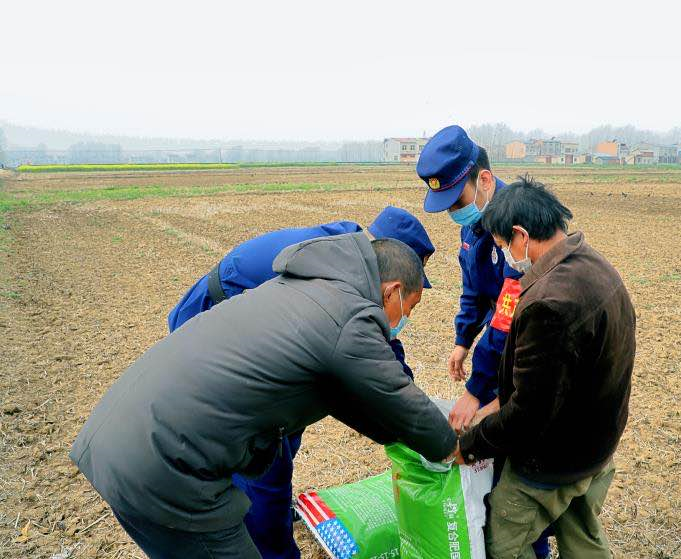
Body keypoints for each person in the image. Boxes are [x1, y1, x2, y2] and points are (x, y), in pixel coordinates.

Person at [70, 234, 457, 559]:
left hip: (122, 439)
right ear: (392, 291)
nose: (406, 318)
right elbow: (396, 397)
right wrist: (453, 445)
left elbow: (354, 401)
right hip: (165, 468)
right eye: (410, 307)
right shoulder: (348, 317)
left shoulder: (310, 289)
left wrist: (398, 436)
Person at [166, 206, 435, 558]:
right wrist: (409, 414)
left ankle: (262, 510)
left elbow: (379, 339)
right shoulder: (336, 270)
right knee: (268, 450)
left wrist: (408, 395)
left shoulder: (353, 255)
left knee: (280, 441)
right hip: (211, 316)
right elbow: (354, 350)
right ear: (388, 257)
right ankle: (269, 540)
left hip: (254, 331)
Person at [458, 176, 636, 559]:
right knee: (582, 535)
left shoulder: (547, 304)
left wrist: (469, 446)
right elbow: (559, 378)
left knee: (504, 542)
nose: (506, 256)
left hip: (555, 461)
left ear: (521, 236)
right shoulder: (597, 267)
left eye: (503, 246)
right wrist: (492, 406)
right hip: (596, 445)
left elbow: (528, 415)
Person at [417, 125, 553, 558]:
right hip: (500, 340)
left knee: (516, 442)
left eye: (457, 201)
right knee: (494, 440)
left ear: (485, 180)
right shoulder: (473, 225)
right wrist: (462, 339)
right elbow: (474, 289)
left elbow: (506, 317)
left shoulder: (517, 228)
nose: (455, 213)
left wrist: (477, 390)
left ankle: (529, 538)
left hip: (522, 344)